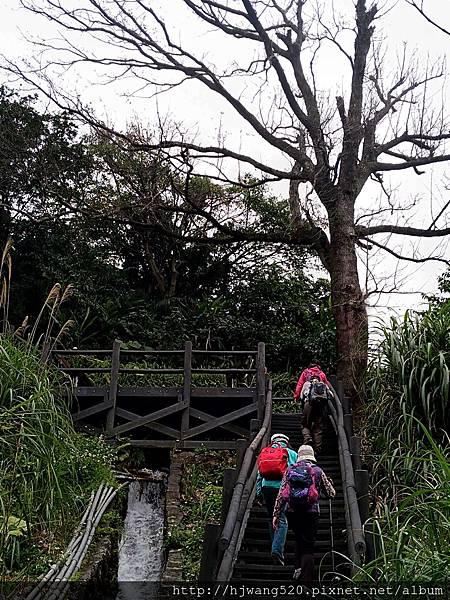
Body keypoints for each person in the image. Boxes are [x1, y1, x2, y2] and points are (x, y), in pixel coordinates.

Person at [272, 445, 335, 585]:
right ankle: (306, 580)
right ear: (312, 456)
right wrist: (328, 484)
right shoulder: (317, 471)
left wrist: (276, 514)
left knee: (298, 538)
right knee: (308, 545)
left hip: (292, 512)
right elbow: (331, 493)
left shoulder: (289, 470)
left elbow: (281, 494)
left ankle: (297, 568)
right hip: (311, 513)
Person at [256, 433, 298, 566]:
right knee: (282, 518)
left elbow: (259, 475)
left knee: (272, 517)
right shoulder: (291, 453)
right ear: (286, 441)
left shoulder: (265, 452)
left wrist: (258, 493)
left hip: (266, 488)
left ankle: (275, 544)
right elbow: (294, 473)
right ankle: (277, 550)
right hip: (282, 489)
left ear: (273, 441)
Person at [299, 375, 333, 454]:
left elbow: (301, 396)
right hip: (320, 407)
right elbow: (331, 395)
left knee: (305, 424)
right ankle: (318, 447)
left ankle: (308, 439)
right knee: (318, 427)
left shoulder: (307, 384)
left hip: (309, 405)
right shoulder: (324, 385)